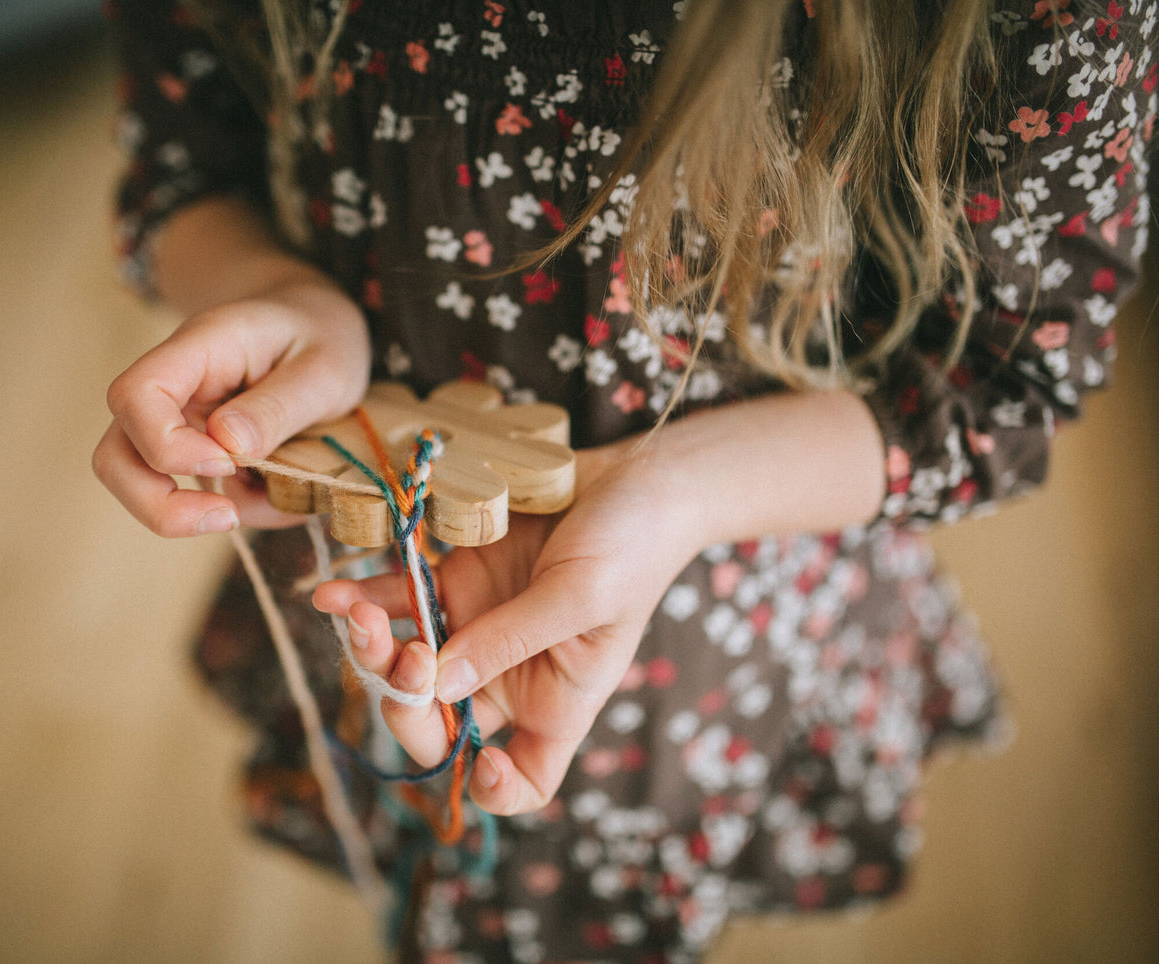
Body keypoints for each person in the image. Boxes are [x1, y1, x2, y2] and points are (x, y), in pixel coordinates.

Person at [93, 0, 1154, 959]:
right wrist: (273, 294)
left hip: (725, 591)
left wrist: (674, 488)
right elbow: (184, 162)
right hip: (362, 538)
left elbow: (1001, 384)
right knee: (424, 839)